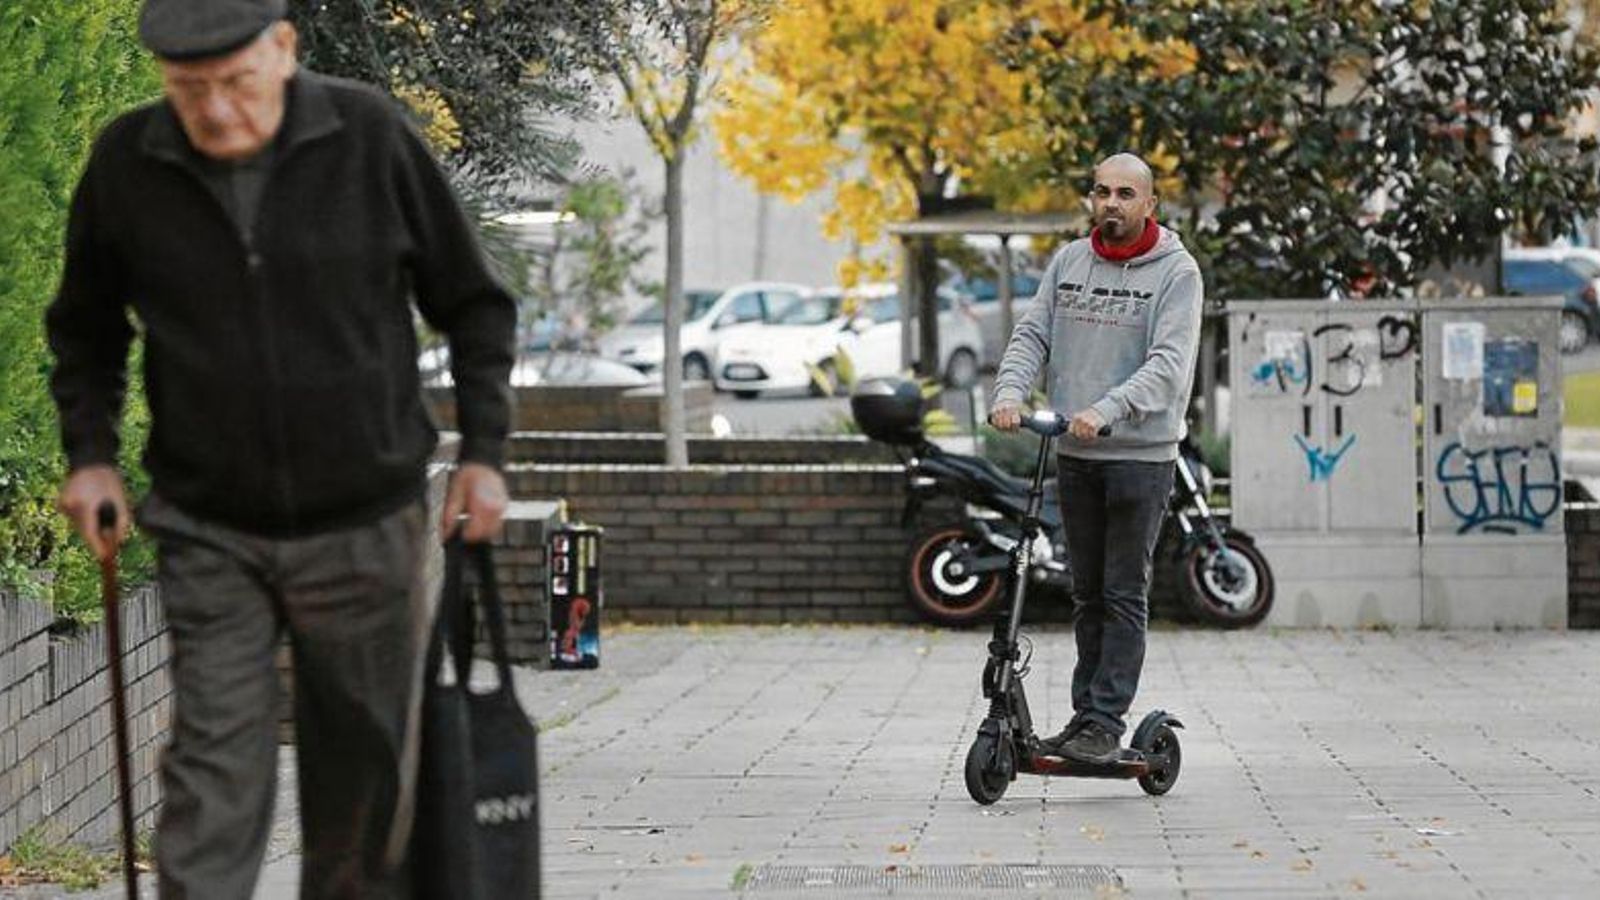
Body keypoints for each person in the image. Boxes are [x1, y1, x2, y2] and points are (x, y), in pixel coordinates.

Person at [45, 1, 515, 896]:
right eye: (189, 90)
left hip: (365, 520)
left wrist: (485, 454)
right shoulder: (129, 161)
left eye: (236, 83)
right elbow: (86, 329)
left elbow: (474, 304)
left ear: (287, 50)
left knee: (365, 781)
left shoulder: (369, 138)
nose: (216, 110)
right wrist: (91, 455)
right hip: (209, 524)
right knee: (212, 769)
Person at [990, 153, 1203, 765]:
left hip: (1140, 457)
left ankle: (1106, 721)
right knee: (1085, 593)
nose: (1112, 202)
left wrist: (1107, 409)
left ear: (1149, 204)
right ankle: (1086, 717)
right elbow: (1034, 334)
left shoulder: (1177, 273)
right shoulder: (1070, 261)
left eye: (1126, 194)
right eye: (1102, 191)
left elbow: (1168, 364)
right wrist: (1009, 393)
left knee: (1122, 592)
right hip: (1077, 452)